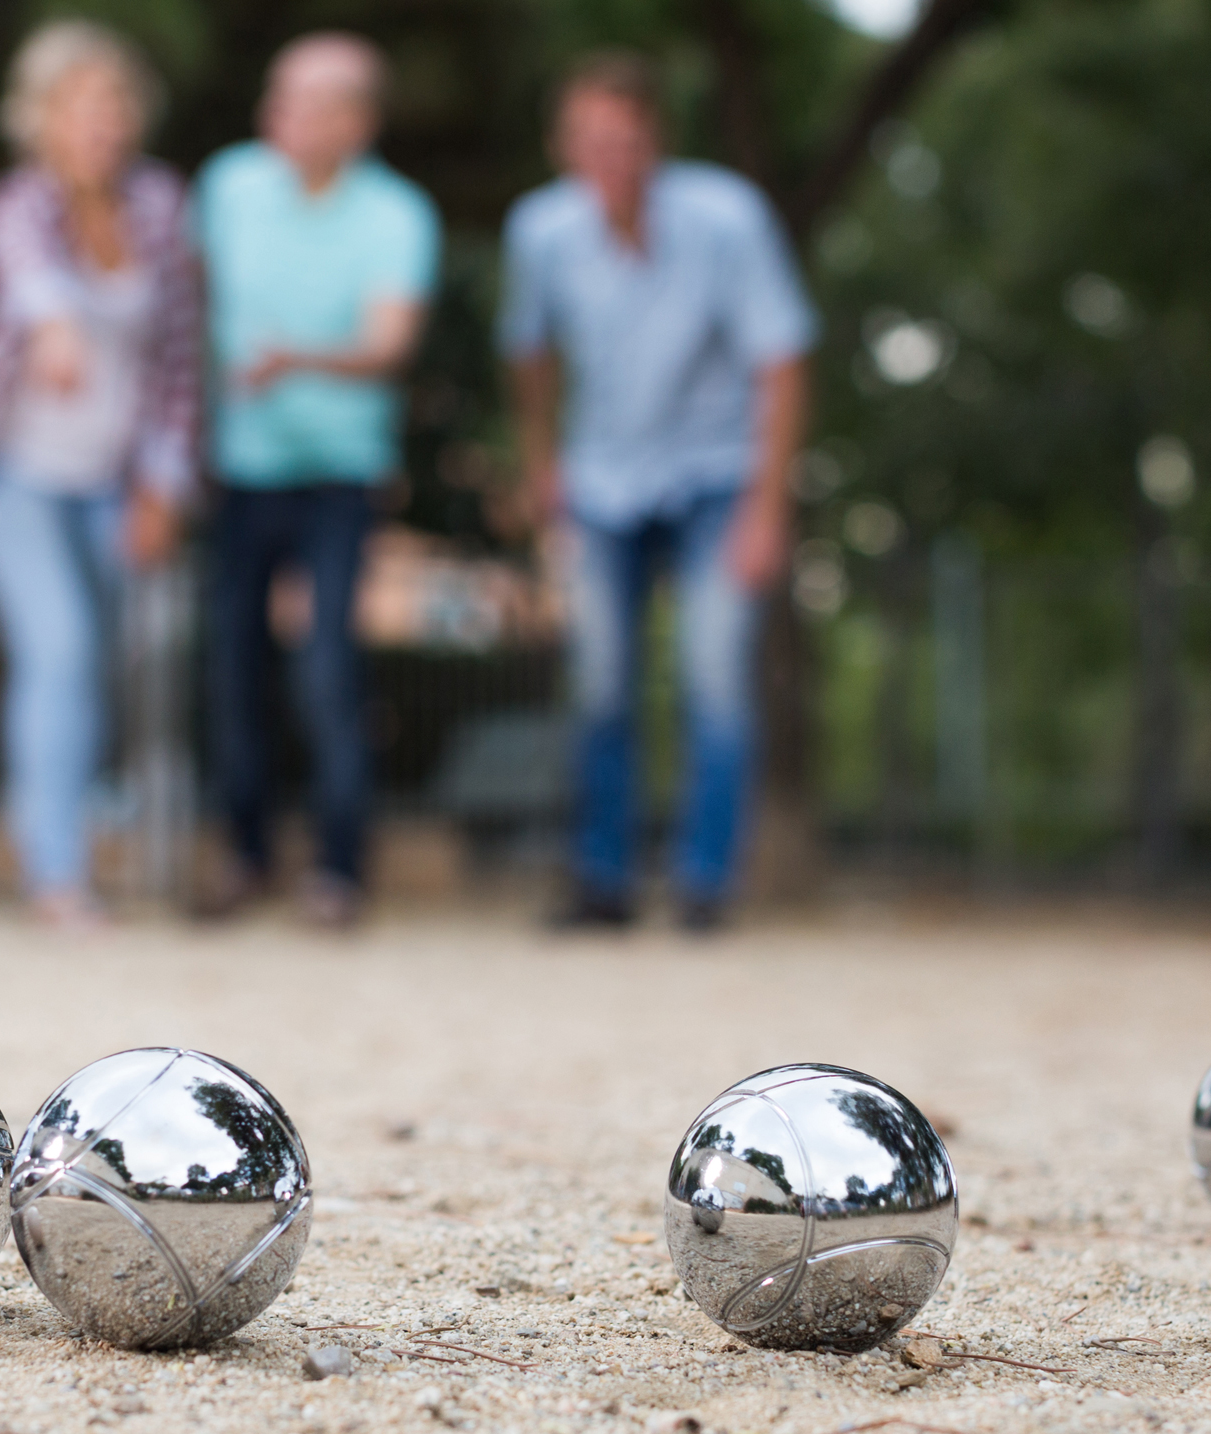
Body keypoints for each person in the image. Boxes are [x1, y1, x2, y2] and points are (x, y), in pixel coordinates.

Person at [0, 20, 201, 929]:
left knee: (98, 663)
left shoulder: (162, 207)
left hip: (112, 477)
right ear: (43, 119)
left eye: (115, 101)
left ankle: (70, 839)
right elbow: (31, 283)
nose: (103, 121)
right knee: (56, 647)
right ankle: (56, 874)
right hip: (14, 471)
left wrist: (165, 485)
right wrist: (57, 329)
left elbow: (179, 361)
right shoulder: (15, 205)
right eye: (81, 104)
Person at [500, 52, 816, 932]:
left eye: (626, 139)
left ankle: (705, 883)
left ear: (656, 142)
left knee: (714, 674)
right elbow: (529, 352)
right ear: (564, 147)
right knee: (600, 681)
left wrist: (768, 505)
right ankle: (603, 880)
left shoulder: (728, 219)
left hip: (719, 475)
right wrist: (541, 466)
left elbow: (782, 362)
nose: (611, 158)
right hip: (602, 478)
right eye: (591, 139)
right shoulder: (542, 232)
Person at [192, 32, 441, 928]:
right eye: (277, 94)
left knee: (328, 667)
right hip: (240, 468)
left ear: (355, 122)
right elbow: (191, 301)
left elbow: (391, 344)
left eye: (301, 102)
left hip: (341, 471)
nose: (277, 115)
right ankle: (245, 853)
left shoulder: (396, 215)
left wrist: (296, 360)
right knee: (232, 666)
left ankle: (339, 866)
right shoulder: (228, 186)